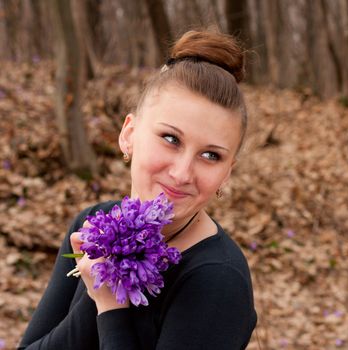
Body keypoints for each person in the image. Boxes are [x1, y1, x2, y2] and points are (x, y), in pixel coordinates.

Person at [18, 30, 257, 349]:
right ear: (128, 134)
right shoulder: (89, 225)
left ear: (227, 174)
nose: (182, 173)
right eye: (171, 139)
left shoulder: (217, 280)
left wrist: (111, 308)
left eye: (210, 155)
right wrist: (99, 287)